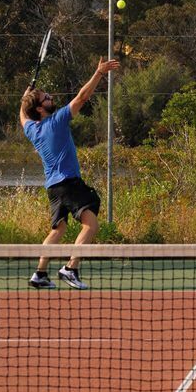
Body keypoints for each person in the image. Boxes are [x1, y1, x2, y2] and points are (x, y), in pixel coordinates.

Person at [18, 57, 119, 289]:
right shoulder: (58, 121)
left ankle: (40, 274)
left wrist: (26, 94)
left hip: (53, 189)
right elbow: (83, 97)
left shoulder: (32, 130)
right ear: (40, 108)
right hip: (68, 183)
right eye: (46, 98)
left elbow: (22, 115)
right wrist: (99, 73)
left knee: (59, 229)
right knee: (91, 225)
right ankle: (71, 267)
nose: (51, 98)